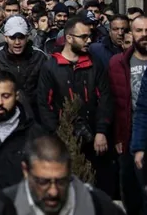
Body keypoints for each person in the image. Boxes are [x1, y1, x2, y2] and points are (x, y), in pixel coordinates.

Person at [37, 16, 113, 191]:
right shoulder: (51, 67)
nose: (89, 41)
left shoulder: (94, 64)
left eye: (90, 36)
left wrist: (101, 131)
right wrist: (59, 136)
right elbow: (45, 105)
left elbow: (105, 99)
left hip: (94, 139)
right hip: (64, 141)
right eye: (84, 37)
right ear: (69, 38)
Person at [4, 135, 121, 215]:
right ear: (25, 171)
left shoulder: (99, 206)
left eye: (61, 181)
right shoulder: (2, 205)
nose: (53, 192)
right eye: (43, 182)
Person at [109, 14, 147, 214]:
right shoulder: (118, 62)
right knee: (131, 192)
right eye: (139, 31)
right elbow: (113, 103)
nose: (143, 35)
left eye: (146, 31)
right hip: (128, 135)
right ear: (131, 33)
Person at [0, 15, 47, 120]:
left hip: (35, 117)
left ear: (27, 37)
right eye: (13, 38)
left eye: (21, 37)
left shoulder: (40, 57)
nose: (17, 42)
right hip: (5, 115)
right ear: (5, 37)